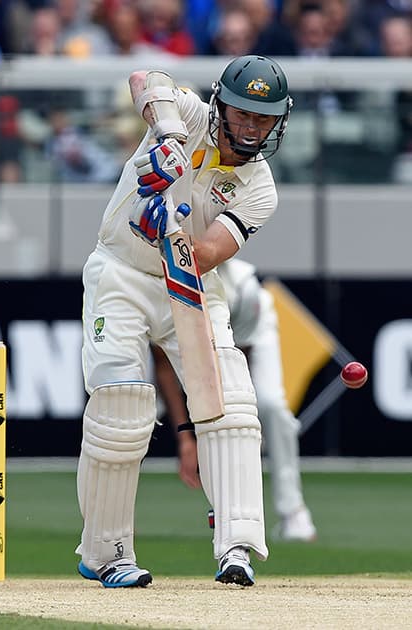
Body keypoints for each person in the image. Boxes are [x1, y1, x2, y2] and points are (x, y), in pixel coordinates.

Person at [76, 54, 292, 589]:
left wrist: (164, 226)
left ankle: (237, 545)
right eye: (242, 113)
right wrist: (168, 137)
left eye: (263, 119)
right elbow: (143, 79)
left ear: (277, 123)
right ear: (220, 104)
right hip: (121, 272)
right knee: (121, 402)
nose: (250, 126)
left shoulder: (260, 188)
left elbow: (206, 251)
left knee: (234, 400)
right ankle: (106, 552)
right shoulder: (190, 115)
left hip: (189, 282)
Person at [151, 258, 317, 542]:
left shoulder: (242, 290)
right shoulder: (161, 285)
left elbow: (236, 365)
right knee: (139, 407)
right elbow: (164, 367)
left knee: (270, 405)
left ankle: (294, 513)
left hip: (245, 339)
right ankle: (121, 522)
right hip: (187, 338)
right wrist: (186, 437)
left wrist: (234, 426)